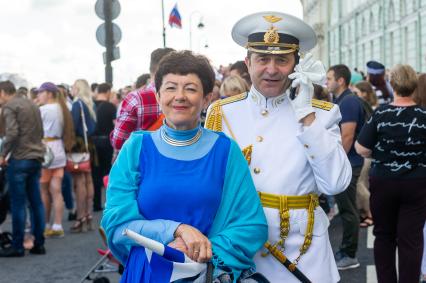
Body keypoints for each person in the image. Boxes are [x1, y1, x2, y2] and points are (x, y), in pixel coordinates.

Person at [206, 12, 352, 282]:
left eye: (282, 60)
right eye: (262, 59)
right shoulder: (222, 113)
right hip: (241, 252)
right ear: (248, 63)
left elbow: (334, 184)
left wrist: (307, 117)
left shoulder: (322, 114)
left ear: (296, 65)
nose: (271, 69)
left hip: (302, 254)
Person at [101, 51, 268, 282]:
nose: (179, 96)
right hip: (147, 274)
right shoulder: (136, 148)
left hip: (205, 273)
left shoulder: (226, 151)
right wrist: (176, 230)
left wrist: (198, 252)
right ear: (158, 96)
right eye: (170, 88)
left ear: (207, 99)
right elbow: (117, 225)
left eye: (190, 88)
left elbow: (251, 224)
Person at [355, 64, 426, 283]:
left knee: (384, 236)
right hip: (417, 183)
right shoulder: (424, 115)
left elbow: (361, 148)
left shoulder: (381, 114)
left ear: (392, 84)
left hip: (384, 181)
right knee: (411, 239)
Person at [326, 64, 365, 269]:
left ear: (340, 81)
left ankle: (350, 254)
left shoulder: (348, 102)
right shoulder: (343, 100)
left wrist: (336, 164)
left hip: (348, 163)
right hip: (348, 162)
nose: (327, 82)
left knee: (348, 211)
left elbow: (347, 136)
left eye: (330, 78)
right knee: (346, 209)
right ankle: (346, 250)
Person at [0, 81, 46, 257]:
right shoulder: (31, 104)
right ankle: (39, 243)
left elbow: (11, 133)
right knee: (36, 203)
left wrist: (3, 154)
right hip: (36, 157)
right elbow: (40, 131)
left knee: (18, 204)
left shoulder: (10, 106)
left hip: (20, 158)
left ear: (3, 92)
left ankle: (18, 246)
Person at [111, 48, 175, 150]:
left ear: (151, 69)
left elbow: (119, 141)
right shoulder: (186, 97)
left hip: (141, 162)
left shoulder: (135, 99)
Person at [37, 82, 75, 238]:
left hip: (46, 150)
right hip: (59, 149)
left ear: (49, 94)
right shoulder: (63, 108)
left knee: (44, 191)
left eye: (41, 92)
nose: (38, 95)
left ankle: (45, 224)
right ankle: (58, 224)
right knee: (56, 190)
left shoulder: (43, 110)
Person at [70, 79, 97, 233]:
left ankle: (80, 216)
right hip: (89, 145)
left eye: (74, 86)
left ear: (78, 88)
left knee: (79, 182)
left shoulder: (77, 104)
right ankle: (89, 215)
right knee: (88, 180)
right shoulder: (90, 104)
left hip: (78, 145)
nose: (72, 89)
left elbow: (73, 126)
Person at [352, 80, 377, 228]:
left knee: (360, 184)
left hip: (365, 152)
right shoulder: (365, 107)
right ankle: (365, 213)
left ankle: (371, 213)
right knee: (363, 184)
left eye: (356, 93)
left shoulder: (370, 109)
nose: (353, 96)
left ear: (365, 93)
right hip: (365, 152)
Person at [92, 83, 116, 211]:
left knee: (95, 173)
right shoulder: (110, 107)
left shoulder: (91, 105)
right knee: (108, 172)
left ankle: (96, 203)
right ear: (107, 91)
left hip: (93, 142)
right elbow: (116, 125)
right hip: (107, 142)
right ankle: (109, 202)